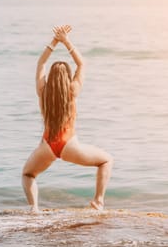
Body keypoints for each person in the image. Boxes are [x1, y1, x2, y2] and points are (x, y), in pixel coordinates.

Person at [22, 25, 113, 212]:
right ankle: (98, 201)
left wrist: (54, 41)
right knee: (106, 161)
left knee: (28, 175)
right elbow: (82, 64)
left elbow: (40, 64)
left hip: (47, 145)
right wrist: (66, 41)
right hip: (69, 144)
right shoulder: (72, 91)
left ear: (52, 77)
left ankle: (34, 208)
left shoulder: (43, 92)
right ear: (67, 78)